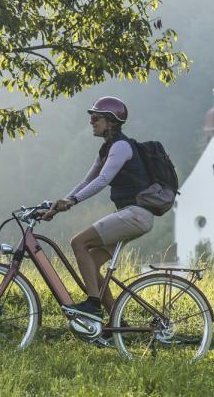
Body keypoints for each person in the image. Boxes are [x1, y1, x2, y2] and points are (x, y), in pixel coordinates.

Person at [42, 96, 154, 323]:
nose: (92, 121)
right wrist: (61, 203)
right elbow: (86, 181)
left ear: (111, 121)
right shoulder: (107, 149)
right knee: (91, 263)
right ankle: (116, 320)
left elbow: (103, 180)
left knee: (78, 242)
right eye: (91, 117)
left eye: (96, 117)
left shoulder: (122, 146)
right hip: (130, 215)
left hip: (135, 214)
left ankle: (93, 304)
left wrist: (72, 202)